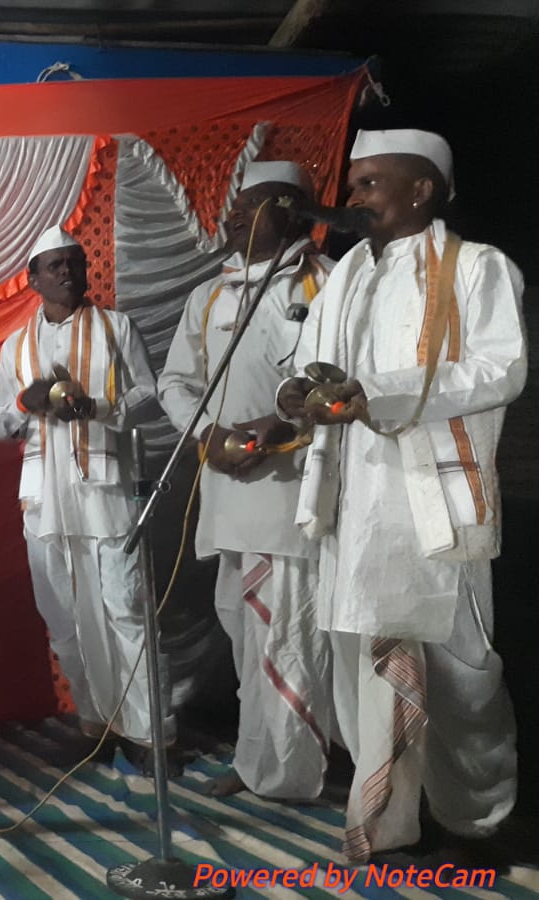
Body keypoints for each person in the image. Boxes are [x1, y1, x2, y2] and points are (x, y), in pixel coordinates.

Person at [275, 129, 521, 863]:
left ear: (422, 190)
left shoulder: (477, 268)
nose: (354, 197)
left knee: (463, 677)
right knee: (362, 661)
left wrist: (375, 394)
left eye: (371, 183)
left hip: (433, 503)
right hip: (354, 504)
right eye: (352, 184)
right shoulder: (348, 272)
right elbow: (307, 363)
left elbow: (501, 370)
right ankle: (386, 822)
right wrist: (296, 395)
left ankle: (476, 818)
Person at [158, 161, 335, 800]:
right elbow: (174, 381)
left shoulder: (325, 282)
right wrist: (207, 434)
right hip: (227, 490)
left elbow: (342, 377)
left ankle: (289, 774)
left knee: (287, 636)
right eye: (234, 204)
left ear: (289, 211)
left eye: (251, 203)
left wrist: (281, 424)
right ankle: (257, 759)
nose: (232, 215)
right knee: (242, 630)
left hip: (292, 491)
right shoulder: (211, 294)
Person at [0, 226, 172, 774]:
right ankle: (96, 724)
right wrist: (27, 402)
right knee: (65, 619)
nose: (67, 272)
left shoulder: (117, 327)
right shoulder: (16, 345)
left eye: (74, 262)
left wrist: (98, 408)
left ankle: (150, 734)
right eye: (55, 265)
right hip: (45, 499)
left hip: (106, 491)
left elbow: (149, 392)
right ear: (33, 280)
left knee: (125, 609)